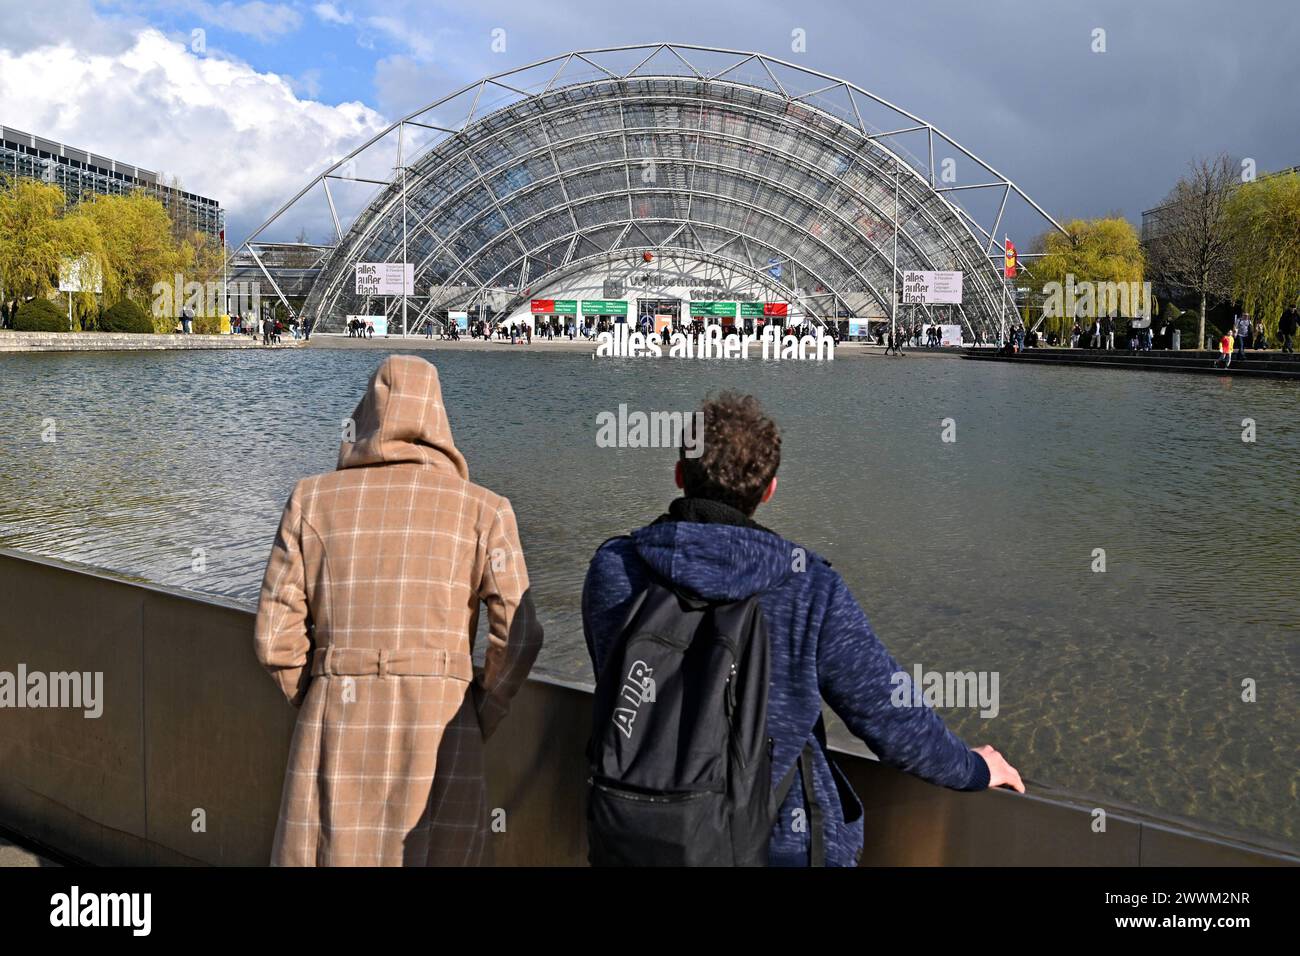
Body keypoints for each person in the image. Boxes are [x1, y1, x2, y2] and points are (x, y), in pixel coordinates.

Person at [581, 392, 1023, 867]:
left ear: (678, 473)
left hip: (637, 838)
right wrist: (974, 768)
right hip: (776, 848)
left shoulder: (616, 569)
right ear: (769, 489)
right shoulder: (809, 587)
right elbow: (890, 716)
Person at [254, 355, 544, 866]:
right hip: (442, 731)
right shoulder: (484, 509)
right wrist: (480, 710)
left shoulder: (311, 500)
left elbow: (274, 638)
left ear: (364, 416)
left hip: (335, 723)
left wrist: (320, 690)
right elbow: (518, 637)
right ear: (439, 421)